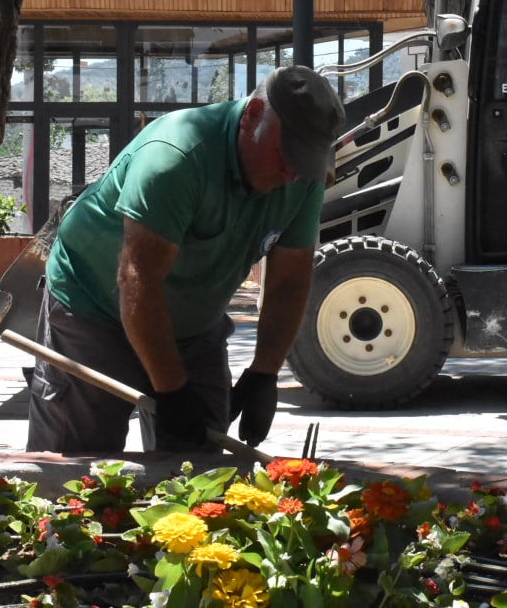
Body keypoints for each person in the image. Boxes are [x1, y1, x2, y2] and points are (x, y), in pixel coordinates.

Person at [26, 66, 346, 454]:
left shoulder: (301, 178)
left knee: (201, 474)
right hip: (94, 307)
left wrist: (265, 371)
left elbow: (289, 281)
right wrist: (172, 389)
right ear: (253, 114)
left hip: (193, 327)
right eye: (286, 154)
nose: (292, 173)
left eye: (306, 162)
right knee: (77, 472)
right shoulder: (176, 156)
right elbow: (137, 277)